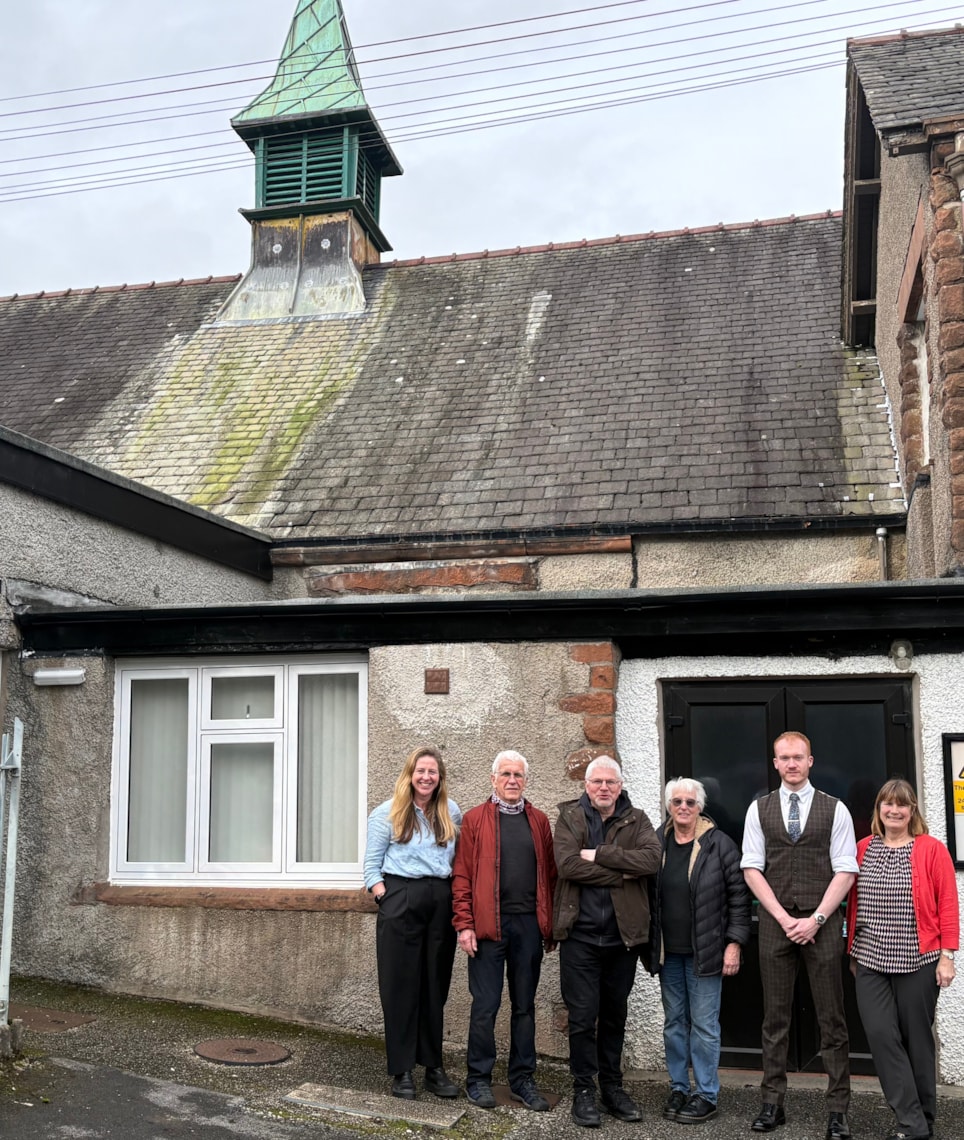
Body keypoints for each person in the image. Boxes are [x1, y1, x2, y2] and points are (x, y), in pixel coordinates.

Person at [741, 731, 858, 1138]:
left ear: (811, 761)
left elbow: (846, 869)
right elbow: (751, 868)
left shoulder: (835, 809)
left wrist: (817, 920)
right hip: (775, 926)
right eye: (784, 758)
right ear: (774, 763)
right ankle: (772, 1104)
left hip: (822, 927)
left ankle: (838, 1110)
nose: (791, 764)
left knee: (833, 1021)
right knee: (774, 1020)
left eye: (798, 757)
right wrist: (782, 917)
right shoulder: (759, 809)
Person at [846, 779, 959, 1140]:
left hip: (919, 960)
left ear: (913, 811)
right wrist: (851, 948)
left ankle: (922, 1119)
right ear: (878, 809)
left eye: (902, 805)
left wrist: (947, 957)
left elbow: (947, 905)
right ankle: (913, 1121)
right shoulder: (863, 848)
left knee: (918, 1041)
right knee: (881, 1036)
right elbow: (850, 902)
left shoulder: (930, 849)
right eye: (887, 805)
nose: (894, 811)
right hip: (870, 959)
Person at [553, 755, 661, 1128]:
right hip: (580, 938)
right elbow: (567, 865)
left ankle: (612, 1088)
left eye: (610, 782)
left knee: (615, 1015)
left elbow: (651, 860)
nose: (603, 788)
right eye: (597, 781)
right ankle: (584, 1090)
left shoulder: (638, 819)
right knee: (582, 1018)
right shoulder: (569, 817)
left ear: (620, 785)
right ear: (586, 785)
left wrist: (601, 854)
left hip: (622, 939)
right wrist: (618, 875)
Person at [451, 750, 557, 1111]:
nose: (513, 780)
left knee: (524, 1007)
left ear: (526, 781)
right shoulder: (476, 819)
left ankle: (522, 1079)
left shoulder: (539, 821)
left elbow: (550, 877)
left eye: (519, 775)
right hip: (486, 929)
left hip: (527, 927)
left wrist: (549, 924)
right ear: (493, 779)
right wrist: (464, 924)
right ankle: (478, 1079)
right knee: (486, 1006)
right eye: (506, 774)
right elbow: (462, 875)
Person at [648, 778, 751, 1124]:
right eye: (677, 801)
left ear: (700, 807)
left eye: (690, 802)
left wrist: (733, 944)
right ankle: (679, 1087)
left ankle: (705, 1094)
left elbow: (739, 898)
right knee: (674, 1024)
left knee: (705, 1026)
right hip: (668, 955)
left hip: (705, 952)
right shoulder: (657, 843)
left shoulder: (719, 845)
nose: (683, 807)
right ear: (668, 806)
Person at [364, 745, 461, 1101]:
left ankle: (433, 1068)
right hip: (401, 898)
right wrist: (384, 896)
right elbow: (371, 867)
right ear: (410, 774)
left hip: (441, 901)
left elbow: (458, 860)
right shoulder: (386, 813)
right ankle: (402, 1070)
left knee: (435, 986)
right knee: (401, 987)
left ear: (440, 777)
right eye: (420, 771)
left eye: (432, 772)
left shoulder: (450, 812)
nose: (426, 777)